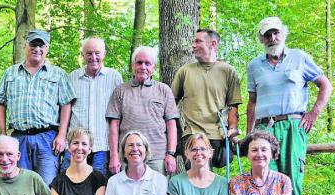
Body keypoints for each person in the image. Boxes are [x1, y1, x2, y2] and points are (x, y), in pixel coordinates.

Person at [246, 16, 332, 195]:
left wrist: (314, 113)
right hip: (264, 128)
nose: (272, 37)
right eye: (267, 34)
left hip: (293, 125)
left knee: (292, 178)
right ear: (261, 38)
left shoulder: (300, 58)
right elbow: (252, 102)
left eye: (275, 32)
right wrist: (250, 134)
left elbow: (325, 85)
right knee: (264, 179)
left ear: (283, 33)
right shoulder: (254, 66)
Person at [0, 29, 76, 185]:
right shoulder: (10, 73)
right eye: (33, 44)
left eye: (41, 45)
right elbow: (0, 104)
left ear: (47, 48)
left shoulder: (58, 74)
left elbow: (66, 104)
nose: (37, 49)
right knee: (20, 185)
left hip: (47, 139)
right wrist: (3, 135)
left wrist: (61, 135)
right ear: (26, 45)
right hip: (18, 138)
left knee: (46, 185)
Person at [171, 28, 242, 170]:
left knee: (213, 178)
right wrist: (177, 132)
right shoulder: (185, 71)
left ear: (213, 44)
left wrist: (232, 128)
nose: (193, 45)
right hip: (192, 133)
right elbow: (171, 105)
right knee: (196, 177)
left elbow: (233, 105)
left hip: (218, 134)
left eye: (198, 41)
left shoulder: (228, 71)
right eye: (193, 42)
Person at [106, 46, 179, 175]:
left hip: (157, 156)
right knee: (128, 194)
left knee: (158, 194)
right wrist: (114, 155)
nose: (143, 67)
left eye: (147, 63)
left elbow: (171, 124)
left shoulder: (164, 90)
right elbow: (114, 125)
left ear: (154, 67)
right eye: (139, 62)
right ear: (133, 65)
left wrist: (171, 154)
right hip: (128, 156)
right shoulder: (120, 90)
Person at [63, 38, 123, 177]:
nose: (93, 57)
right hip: (75, 145)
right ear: (83, 54)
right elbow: (65, 110)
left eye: (97, 53)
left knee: (99, 186)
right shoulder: (72, 77)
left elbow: (120, 113)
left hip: (102, 144)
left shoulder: (114, 77)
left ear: (104, 54)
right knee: (69, 183)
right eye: (89, 53)